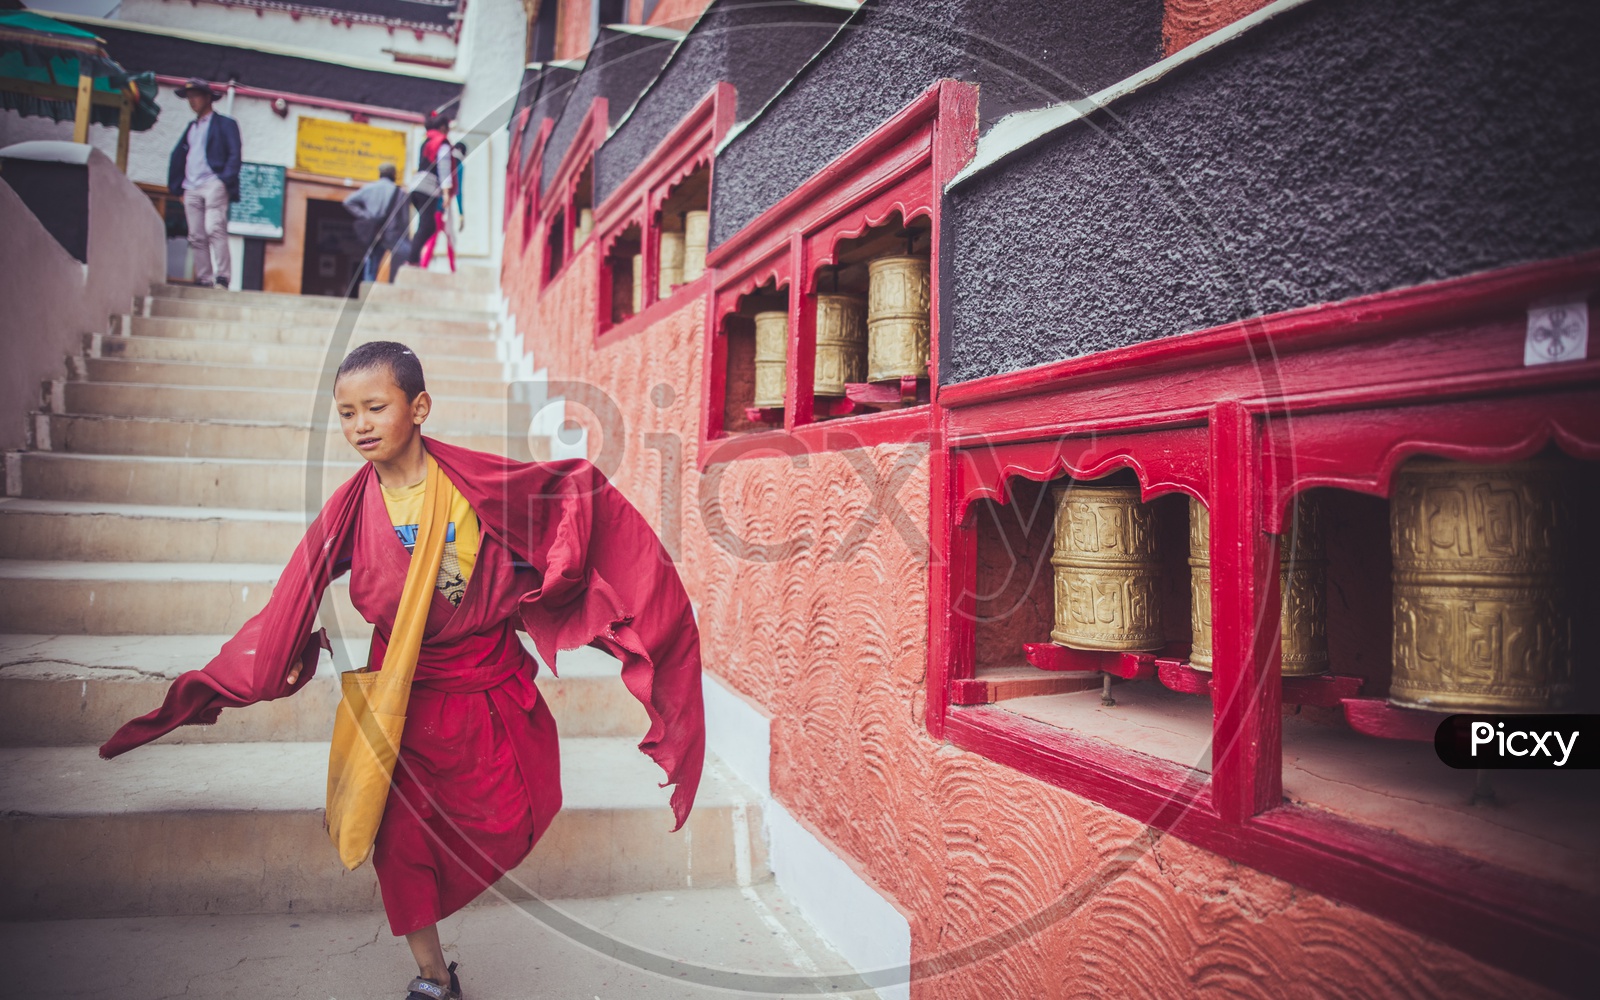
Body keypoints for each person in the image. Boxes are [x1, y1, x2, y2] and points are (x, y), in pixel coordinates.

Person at [100, 342, 706, 1000]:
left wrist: (575, 591)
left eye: (375, 407)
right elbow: (293, 596)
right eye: (346, 413)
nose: (360, 424)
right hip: (402, 695)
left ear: (418, 408)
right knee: (399, 840)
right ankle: (433, 978)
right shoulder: (349, 508)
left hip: (487, 685)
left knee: (521, 807)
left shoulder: (474, 483)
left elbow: (565, 508)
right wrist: (261, 668)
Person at [166, 78, 242, 289]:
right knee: (195, 235)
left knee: (214, 227)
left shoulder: (225, 124)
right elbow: (178, 157)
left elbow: (235, 154)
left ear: (208, 98)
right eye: (189, 97)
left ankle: (223, 277)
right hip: (190, 187)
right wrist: (178, 188)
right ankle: (204, 278)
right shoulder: (191, 128)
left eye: (195, 96)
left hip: (213, 183)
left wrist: (223, 180)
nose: (192, 101)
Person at [344, 163, 410, 283]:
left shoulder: (369, 188)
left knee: (371, 260)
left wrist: (366, 215)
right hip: (392, 233)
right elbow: (404, 218)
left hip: (374, 231)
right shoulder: (400, 192)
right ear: (393, 174)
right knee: (402, 257)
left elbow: (348, 201)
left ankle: (368, 287)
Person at [409, 113, 454, 267]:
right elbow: (444, 168)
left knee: (427, 225)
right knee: (427, 225)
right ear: (443, 128)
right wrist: (446, 193)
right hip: (427, 188)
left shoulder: (426, 140)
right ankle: (412, 259)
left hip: (416, 186)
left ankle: (414, 258)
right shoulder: (441, 143)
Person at [418, 142, 467, 273]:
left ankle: (423, 267)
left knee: (432, 237)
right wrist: (461, 214)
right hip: (443, 207)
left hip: (432, 203)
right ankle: (452, 270)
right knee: (448, 239)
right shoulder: (458, 164)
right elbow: (458, 191)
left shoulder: (442, 159)